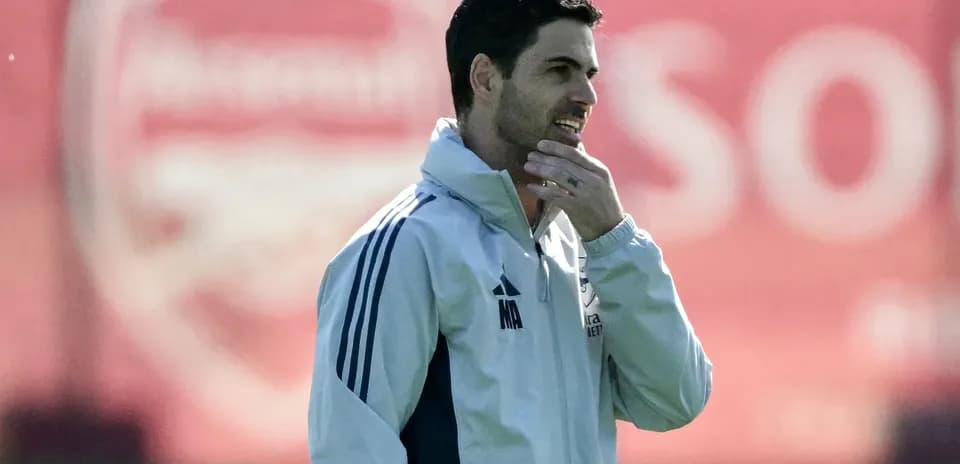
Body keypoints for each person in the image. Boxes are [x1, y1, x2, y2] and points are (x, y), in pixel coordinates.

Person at [307, 0, 713, 462]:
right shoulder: (405, 244)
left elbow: (676, 400)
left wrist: (615, 241)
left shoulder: (589, 244)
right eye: (559, 70)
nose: (587, 95)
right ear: (485, 78)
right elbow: (350, 447)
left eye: (588, 74)